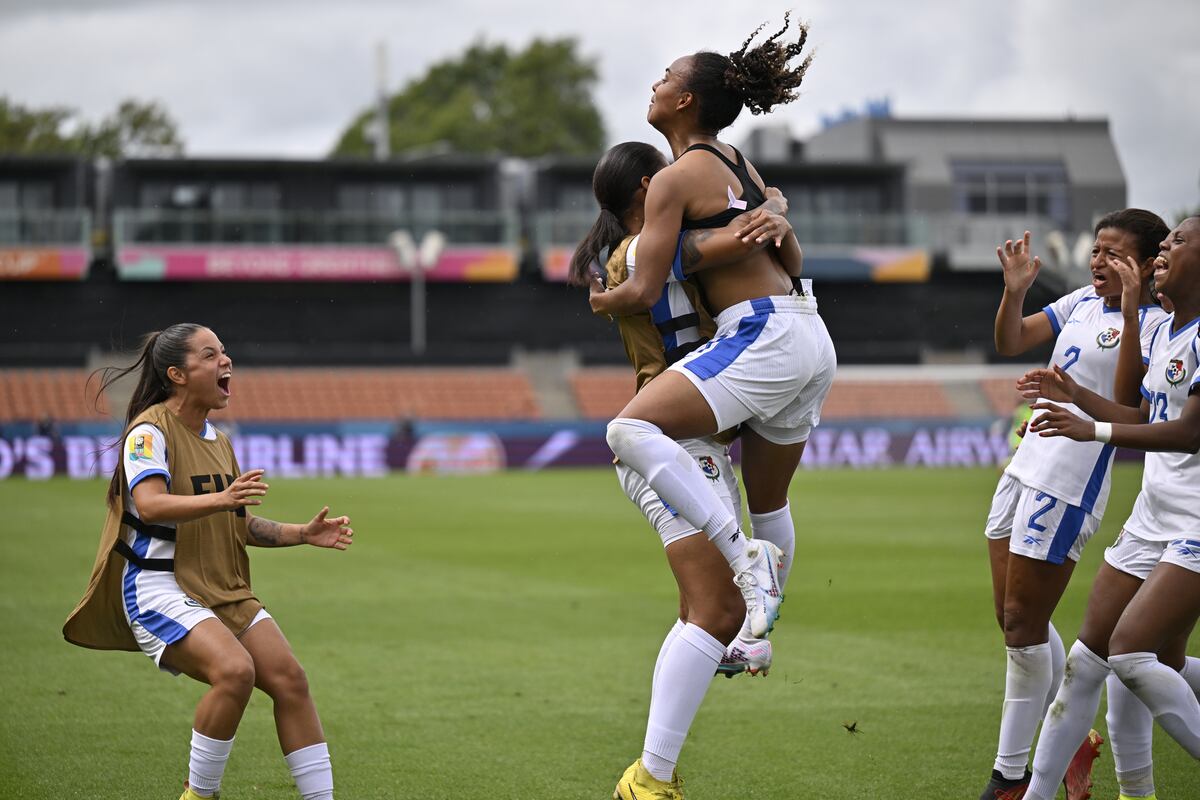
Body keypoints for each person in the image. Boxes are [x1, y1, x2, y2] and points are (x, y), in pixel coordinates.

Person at [586, 16, 834, 799]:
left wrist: (599, 302)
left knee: (630, 430)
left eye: (663, 77)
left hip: (745, 357)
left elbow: (646, 280)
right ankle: (758, 621)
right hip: (806, 331)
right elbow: (765, 253)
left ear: (685, 99)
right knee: (763, 516)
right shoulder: (737, 173)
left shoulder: (674, 191)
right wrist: (773, 219)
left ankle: (748, 567)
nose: (653, 86)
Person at [63, 323, 353, 800]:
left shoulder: (219, 439)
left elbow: (236, 523)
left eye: (225, 352)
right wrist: (223, 499)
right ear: (177, 373)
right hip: (161, 588)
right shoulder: (148, 432)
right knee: (235, 672)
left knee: (291, 681)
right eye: (211, 354)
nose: (226, 361)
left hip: (222, 587)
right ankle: (198, 796)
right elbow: (152, 504)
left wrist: (303, 533)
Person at [569, 140, 801, 691]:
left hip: (686, 422)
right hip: (681, 432)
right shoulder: (659, 245)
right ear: (651, 189)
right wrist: (771, 209)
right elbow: (740, 237)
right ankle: (653, 767)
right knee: (713, 610)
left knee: (699, 612)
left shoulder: (623, 256)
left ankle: (659, 758)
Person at [977, 210, 1171, 800]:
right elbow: (1011, 340)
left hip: (1069, 480)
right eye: (1096, 250)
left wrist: (1134, 313)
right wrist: (1014, 294)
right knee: (1013, 623)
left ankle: (1010, 776)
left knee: (1023, 624)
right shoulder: (1081, 302)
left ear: (1143, 264)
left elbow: (1127, 405)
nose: (1098, 262)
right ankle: (1069, 746)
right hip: (1025, 465)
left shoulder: (1160, 324)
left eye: (1114, 254)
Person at [1016, 216, 1200, 799]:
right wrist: (1077, 397)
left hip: (1197, 519)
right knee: (1095, 659)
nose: (1166, 248)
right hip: (1154, 513)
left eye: (1179, 241)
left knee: (1130, 653)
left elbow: (1189, 434)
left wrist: (1091, 428)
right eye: (1166, 240)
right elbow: (1148, 417)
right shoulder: (1170, 328)